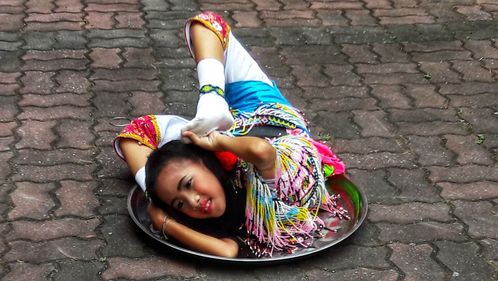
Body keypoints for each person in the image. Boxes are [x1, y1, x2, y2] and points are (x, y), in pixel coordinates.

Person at [114, 11, 347, 258]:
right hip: (238, 137)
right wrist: (161, 208)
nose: (193, 201)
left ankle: (212, 99)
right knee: (140, 134)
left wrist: (213, 105)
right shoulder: (217, 208)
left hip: (258, 109)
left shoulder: (208, 156)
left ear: (206, 161)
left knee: (206, 23)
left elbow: (260, 150)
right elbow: (226, 250)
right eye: (179, 204)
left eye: (189, 185)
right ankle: (164, 180)